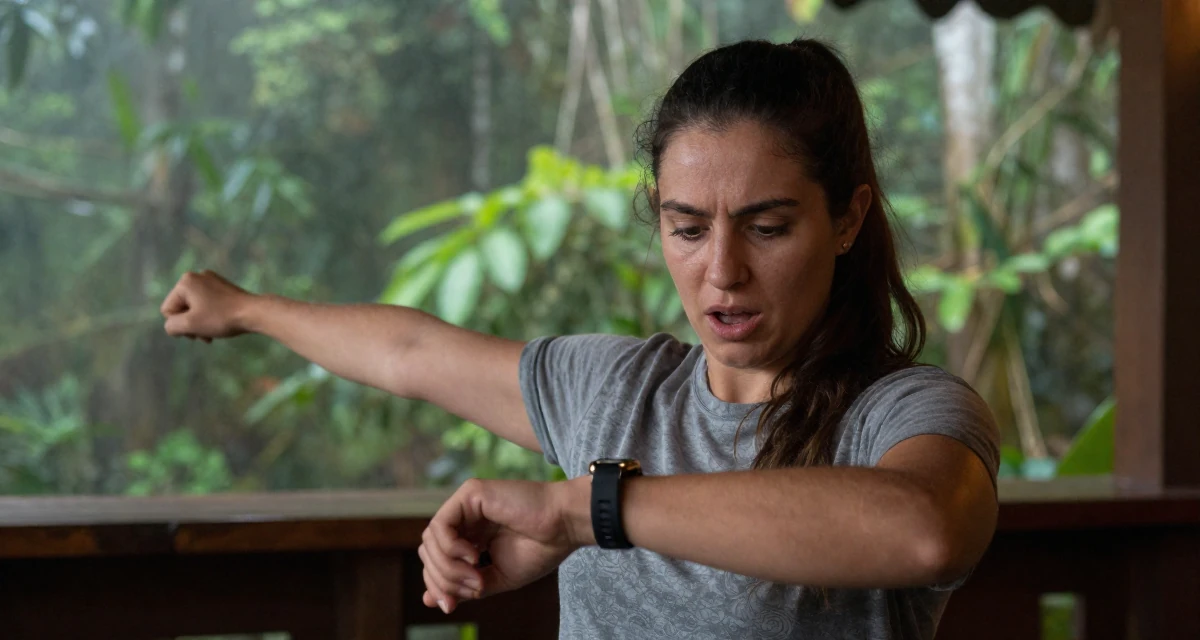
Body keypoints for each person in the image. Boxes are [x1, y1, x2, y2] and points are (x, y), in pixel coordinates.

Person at [161, 38, 999, 640]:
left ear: (847, 219)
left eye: (768, 227)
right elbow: (409, 355)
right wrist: (247, 311)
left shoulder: (902, 412)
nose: (722, 271)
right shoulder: (615, 389)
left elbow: (923, 529)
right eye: (686, 227)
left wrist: (582, 511)